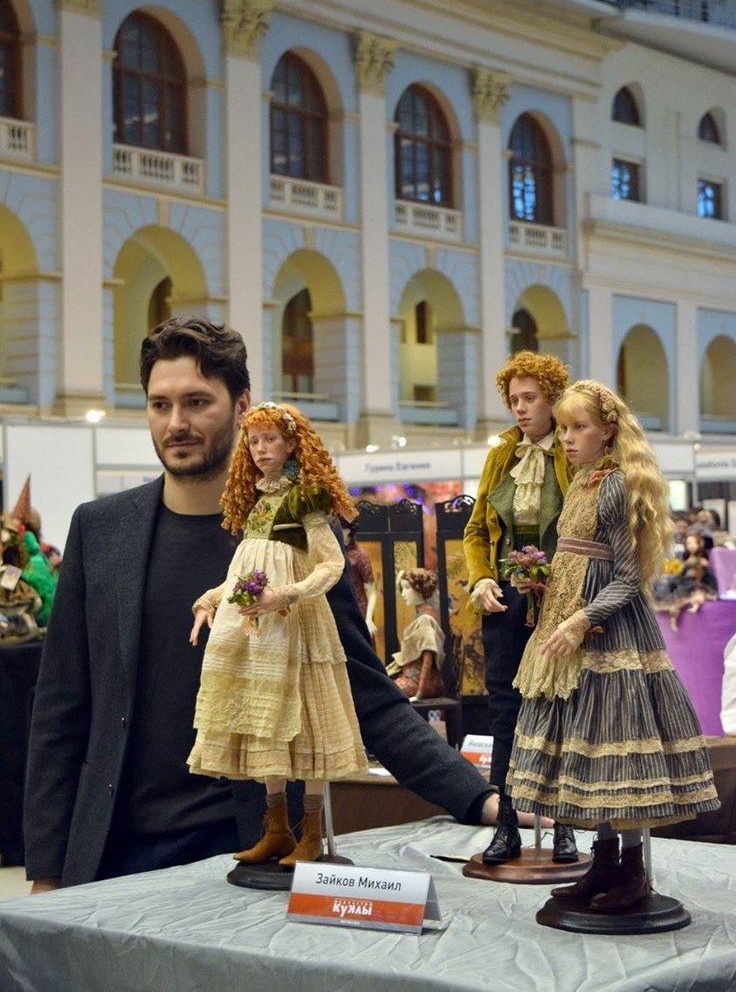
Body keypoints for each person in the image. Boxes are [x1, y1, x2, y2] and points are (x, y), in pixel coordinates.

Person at [24, 317, 501, 892]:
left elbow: (368, 696)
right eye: (160, 404)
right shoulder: (101, 530)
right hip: (117, 856)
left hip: (252, 855)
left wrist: (479, 800)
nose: (176, 423)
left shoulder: (296, 532)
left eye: (198, 402)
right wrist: (46, 873)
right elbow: (60, 710)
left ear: (244, 405)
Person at [508, 380, 720, 912]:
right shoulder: (581, 482)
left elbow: (627, 578)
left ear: (607, 431)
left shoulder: (613, 486)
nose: (569, 438)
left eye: (580, 427)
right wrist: (544, 581)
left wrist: (581, 618)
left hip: (610, 639)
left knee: (615, 751)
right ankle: (602, 862)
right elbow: (581, 558)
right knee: (588, 754)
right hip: (570, 638)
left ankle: (631, 870)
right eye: (564, 428)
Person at [187, 401, 367, 864]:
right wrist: (210, 600)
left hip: (295, 626)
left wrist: (287, 594)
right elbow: (243, 567)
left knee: (306, 725)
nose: (261, 449)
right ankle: (277, 829)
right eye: (254, 441)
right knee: (266, 728)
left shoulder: (305, 498)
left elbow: (331, 564)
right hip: (257, 630)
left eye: (270, 440)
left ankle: (312, 835)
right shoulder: (259, 501)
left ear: (290, 443)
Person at [463, 351, 577, 865]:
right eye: (514, 400)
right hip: (506, 597)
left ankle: (567, 827)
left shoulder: (570, 453)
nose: (521, 409)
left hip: (559, 598)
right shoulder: (501, 456)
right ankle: (506, 824)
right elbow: (476, 529)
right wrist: (483, 576)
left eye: (530, 398)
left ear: (552, 398)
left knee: (560, 707)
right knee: (504, 711)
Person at [386, 568, 445, 700]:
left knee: (381, 692)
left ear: (419, 589)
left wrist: (419, 693)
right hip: (413, 679)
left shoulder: (426, 620)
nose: (403, 594)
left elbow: (428, 656)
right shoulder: (422, 617)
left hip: (417, 683)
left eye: (407, 588)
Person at [340, 518, 378, 639]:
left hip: (358, 609)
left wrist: (368, 619)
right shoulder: (334, 553)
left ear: (348, 531)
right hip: (341, 608)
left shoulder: (360, 556)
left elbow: (372, 592)